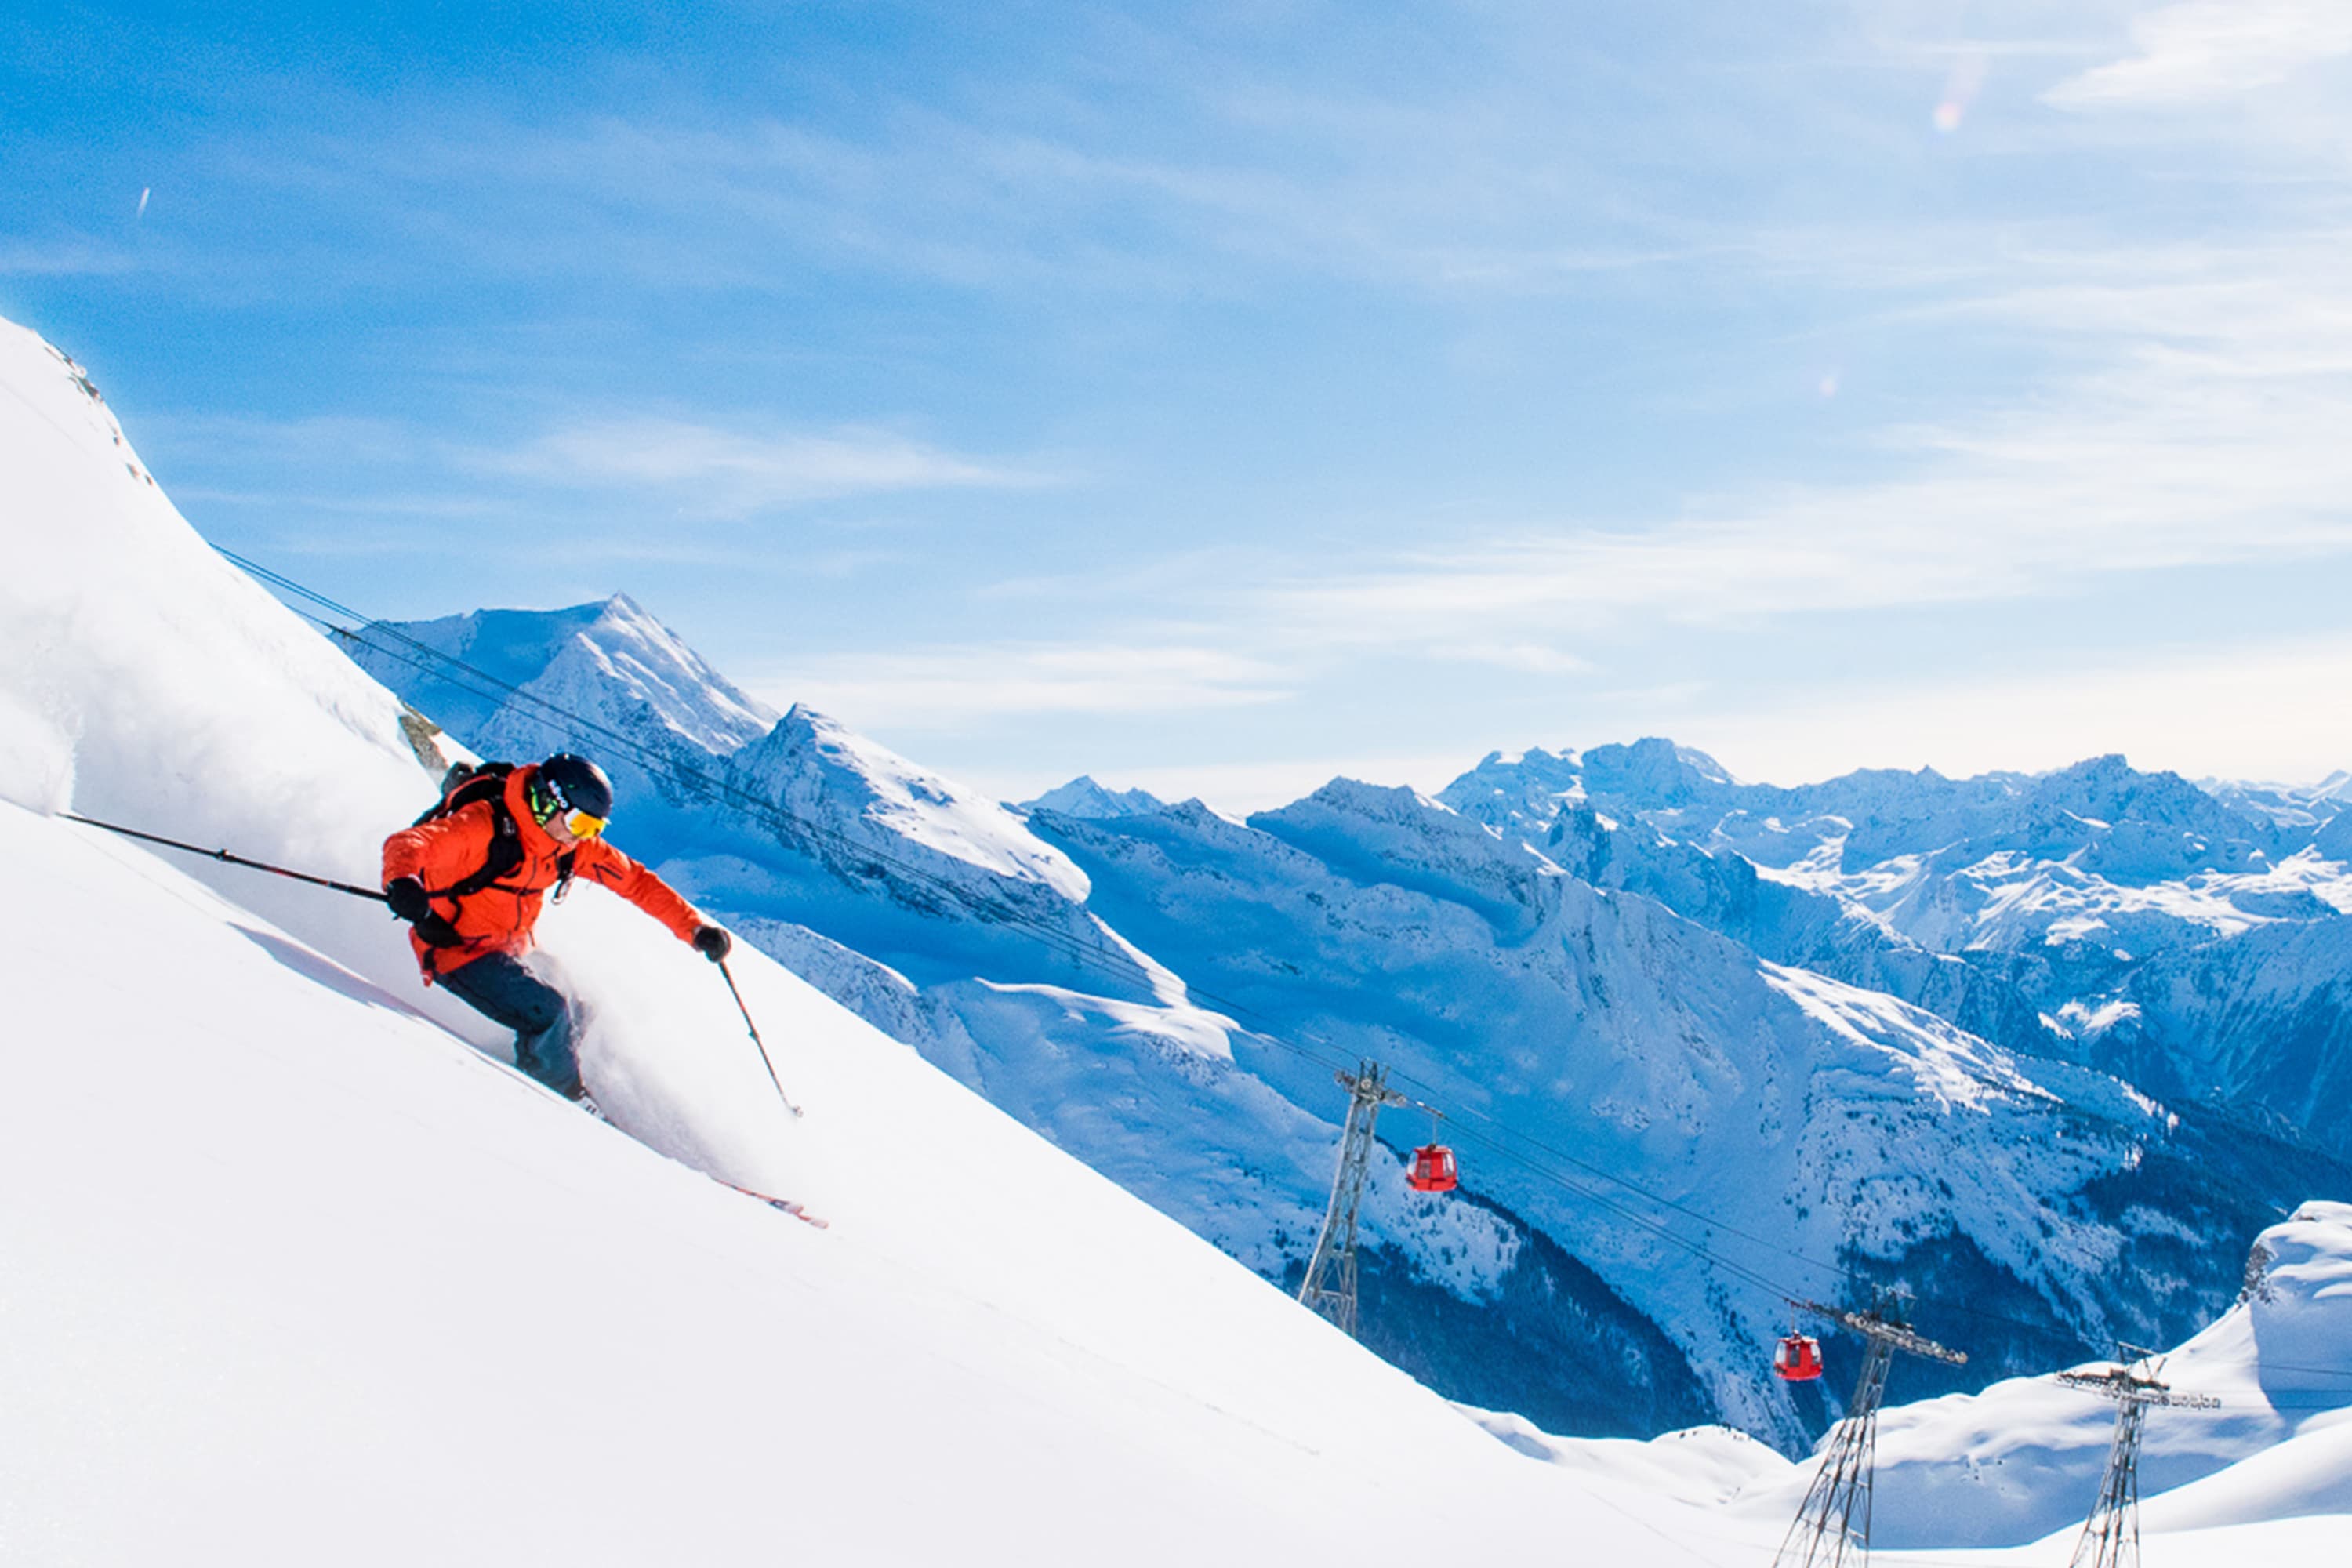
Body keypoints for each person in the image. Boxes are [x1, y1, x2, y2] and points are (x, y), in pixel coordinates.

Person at [380, 752, 732, 1102]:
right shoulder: (484, 827)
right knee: (549, 1012)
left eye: (594, 830)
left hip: (507, 947)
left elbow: (635, 882)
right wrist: (402, 882)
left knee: (582, 1007)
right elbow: (410, 843)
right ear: (549, 803)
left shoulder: (566, 846)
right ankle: (559, 1103)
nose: (584, 838)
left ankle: (542, 1066)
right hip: (455, 949)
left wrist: (695, 930)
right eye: (581, 825)